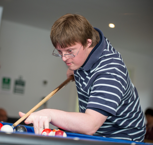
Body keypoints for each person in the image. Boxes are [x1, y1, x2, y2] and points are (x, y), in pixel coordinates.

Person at [19, 14, 146, 142]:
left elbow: (90, 125)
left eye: (69, 51)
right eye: (59, 52)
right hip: (98, 132)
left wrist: (49, 114)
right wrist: (73, 69)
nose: (64, 58)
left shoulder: (110, 71)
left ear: (88, 43)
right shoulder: (85, 50)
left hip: (123, 137)